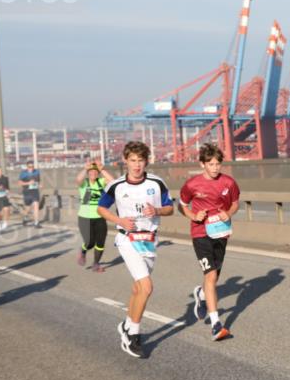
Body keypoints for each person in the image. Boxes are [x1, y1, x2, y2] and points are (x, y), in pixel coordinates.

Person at [96, 141, 174, 358]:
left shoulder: (157, 183)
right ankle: (133, 336)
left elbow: (170, 208)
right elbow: (101, 208)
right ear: (125, 161)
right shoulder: (117, 186)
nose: (137, 165)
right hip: (127, 239)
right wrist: (120, 220)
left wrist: (157, 210)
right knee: (146, 287)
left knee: (137, 289)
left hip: (149, 241)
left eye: (140, 161)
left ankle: (127, 324)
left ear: (146, 161)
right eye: (133, 161)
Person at [178, 143, 240, 341]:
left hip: (221, 233)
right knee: (211, 275)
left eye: (218, 164)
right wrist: (194, 215)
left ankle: (202, 295)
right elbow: (182, 205)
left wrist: (228, 213)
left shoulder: (228, 182)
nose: (215, 168)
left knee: (214, 277)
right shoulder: (192, 184)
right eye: (211, 164)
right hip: (200, 233)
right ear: (202, 164)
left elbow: (235, 203)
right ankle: (216, 324)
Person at [76, 161, 114, 272]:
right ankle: (83, 251)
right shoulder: (84, 183)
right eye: (91, 171)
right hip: (84, 217)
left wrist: (102, 169)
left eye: (95, 171)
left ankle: (96, 264)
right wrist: (84, 168)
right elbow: (78, 180)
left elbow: (112, 182)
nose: (93, 173)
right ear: (88, 173)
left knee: (101, 242)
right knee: (90, 242)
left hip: (100, 216)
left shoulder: (100, 182)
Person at [18, 161, 41, 227]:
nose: (31, 168)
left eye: (32, 167)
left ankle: (36, 223)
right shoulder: (23, 173)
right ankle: (25, 218)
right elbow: (19, 183)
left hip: (35, 192)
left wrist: (39, 185)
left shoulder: (37, 172)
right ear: (27, 167)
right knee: (27, 208)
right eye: (29, 167)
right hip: (27, 192)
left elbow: (38, 181)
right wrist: (28, 183)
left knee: (36, 206)